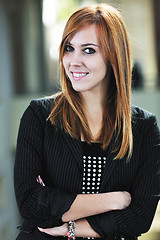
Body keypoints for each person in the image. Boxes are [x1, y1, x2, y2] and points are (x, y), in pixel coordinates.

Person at [14, 3, 160, 240]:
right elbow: (30, 204)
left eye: (89, 50)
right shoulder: (39, 116)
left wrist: (69, 228)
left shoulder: (143, 127)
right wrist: (115, 200)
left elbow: (140, 217)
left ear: (114, 57)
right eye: (69, 48)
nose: (73, 61)